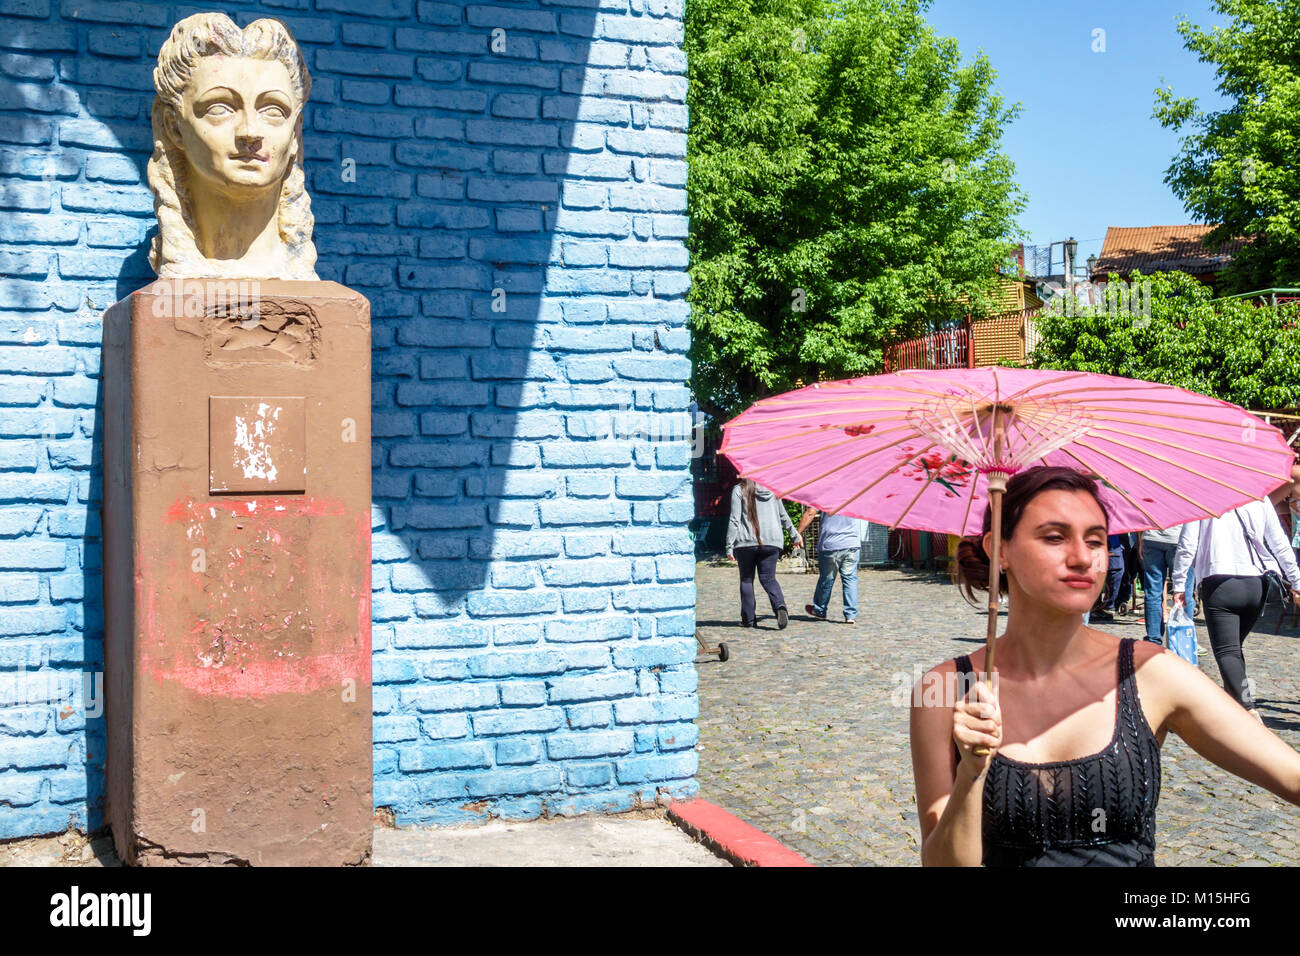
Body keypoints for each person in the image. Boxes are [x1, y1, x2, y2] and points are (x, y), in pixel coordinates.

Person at [910, 466, 1300, 867]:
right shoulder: (943, 691)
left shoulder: (1150, 673)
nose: (1083, 558)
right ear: (1000, 550)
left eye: (1096, 540)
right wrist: (971, 775)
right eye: (1055, 537)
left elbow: (1292, 776)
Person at [1171, 497, 1300, 718]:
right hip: (1255, 585)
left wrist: (1179, 584)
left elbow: (1187, 545)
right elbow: (1279, 542)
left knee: (1227, 651)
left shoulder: (1202, 497)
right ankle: (1236, 704)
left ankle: (1249, 712)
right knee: (1234, 648)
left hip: (1220, 583)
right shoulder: (1259, 498)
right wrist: (1296, 582)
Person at [725, 479, 802, 628]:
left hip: (746, 542)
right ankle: (779, 605)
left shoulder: (739, 489)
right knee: (768, 578)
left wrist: (729, 546)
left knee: (746, 580)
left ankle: (748, 620)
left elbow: (734, 520)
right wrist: (795, 536)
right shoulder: (773, 489)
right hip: (771, 541)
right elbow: (783, 515)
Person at [795, 507, 866, 624]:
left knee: (827, 578)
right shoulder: (856, 493)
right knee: (850, 579)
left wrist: (798, 533)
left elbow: (810, 513)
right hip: (852, 543)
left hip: (831, 544)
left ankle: (819, 609)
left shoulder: (825, 492)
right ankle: (850, 615)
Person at [1138, 523, 1196, 645]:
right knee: (1184, 591)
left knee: (1153, 592)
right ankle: (1184, 638)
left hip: (1151, 537)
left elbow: (1140, 516)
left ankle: (1153, 639)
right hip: (1180, 538)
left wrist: (1140, 540)